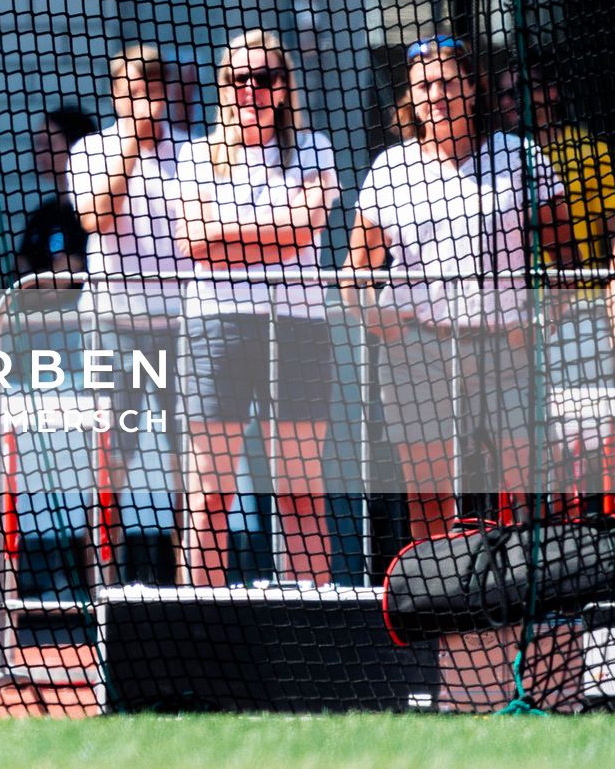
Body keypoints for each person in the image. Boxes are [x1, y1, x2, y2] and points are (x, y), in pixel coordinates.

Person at [346, 34, 571, 540]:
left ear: (472, 88)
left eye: (448, 83)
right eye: (424, 86)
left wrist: (545, 318)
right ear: (410, 97)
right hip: (418, 351)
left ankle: (529, 582)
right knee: (427, 492)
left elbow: (564, 253)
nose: (436, 95)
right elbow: (354, 271)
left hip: (506, 347)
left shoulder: (519, 155)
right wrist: (378, 320)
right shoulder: (391, 168)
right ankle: (438, 588)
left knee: (529, 480)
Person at [168, 31, 339, 586]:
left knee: (300, 494)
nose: (250, 89)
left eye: (263, 78)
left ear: (283, 87)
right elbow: (196, 241)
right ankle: (204, 624)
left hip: (298, 326)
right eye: (237, 78)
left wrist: (233, 236)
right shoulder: (196, 156)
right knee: (210, 495)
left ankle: (313, 621)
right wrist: (274, 233)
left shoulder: (314, 149)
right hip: (215, 326)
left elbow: (302, 232)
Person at [66, 43, 192, 577]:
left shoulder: (195, 151)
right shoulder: (90, 152)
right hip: (112, 325)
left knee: (193, 463)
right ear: (117, 95)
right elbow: (95, 218)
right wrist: (133, 147)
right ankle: (105, 587)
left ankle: (195, 588)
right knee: (109, 461)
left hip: (185, 325)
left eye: (151, 90)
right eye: (132, 91)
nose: (144, 101)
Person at [493, 61, 615, 386]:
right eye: (506, 93)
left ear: (551, 92)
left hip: (581, 308)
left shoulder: (589, 151)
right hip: (511, 317)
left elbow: (612, 227)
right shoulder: (496, 160)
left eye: (523, 89)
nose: (513, 100)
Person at [12, 105, 98, 296]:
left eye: (48, 144)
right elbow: (19, 274)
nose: (39, 152)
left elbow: (61, 284)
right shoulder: (42, 214)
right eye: (38, 143)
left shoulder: (94, 212)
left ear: (76, 146)